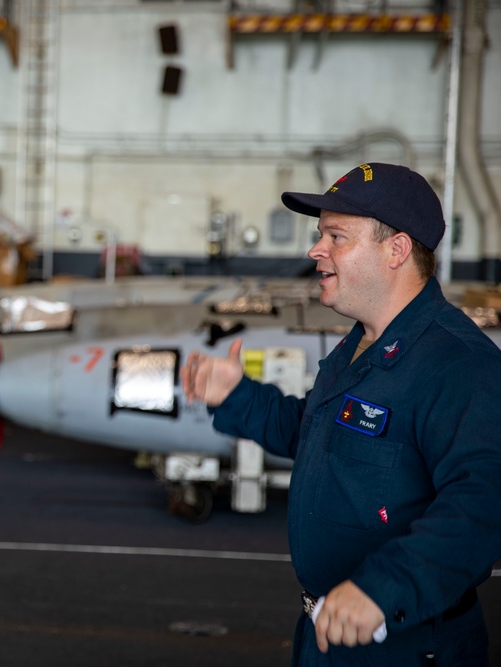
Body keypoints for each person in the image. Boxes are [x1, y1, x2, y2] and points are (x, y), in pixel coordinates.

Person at [181, 162, 501, 665]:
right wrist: (236, 395)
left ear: (396, 249)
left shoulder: (460, 366)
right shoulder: (359, 344)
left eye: (337, 236)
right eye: (320, 234)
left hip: (405, 641)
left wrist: (381, 589)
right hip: (326, 635)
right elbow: (315, 435)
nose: (316, 250)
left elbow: (482, 506)